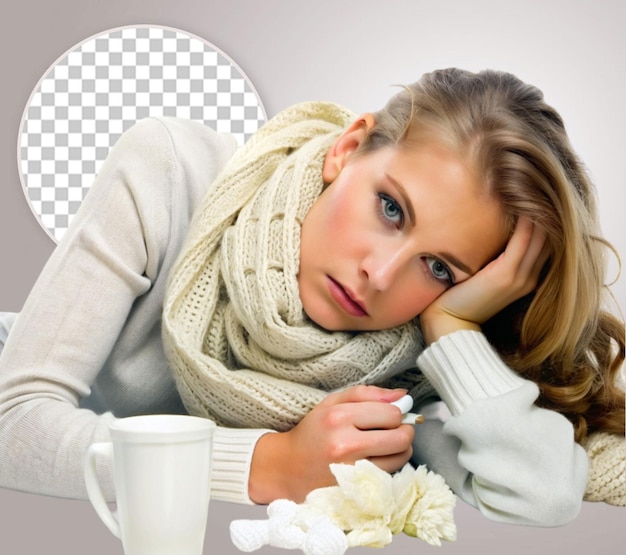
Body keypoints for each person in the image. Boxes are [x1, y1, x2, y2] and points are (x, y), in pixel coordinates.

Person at [0, 68, 623, 527]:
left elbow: (541, 492)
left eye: (437, 266)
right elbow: (15, 422)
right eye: (390, 208)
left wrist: (454, 328)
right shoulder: (169, 172)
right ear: (348, 149)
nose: (379, 275)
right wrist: (271, 463)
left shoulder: (409, 371)